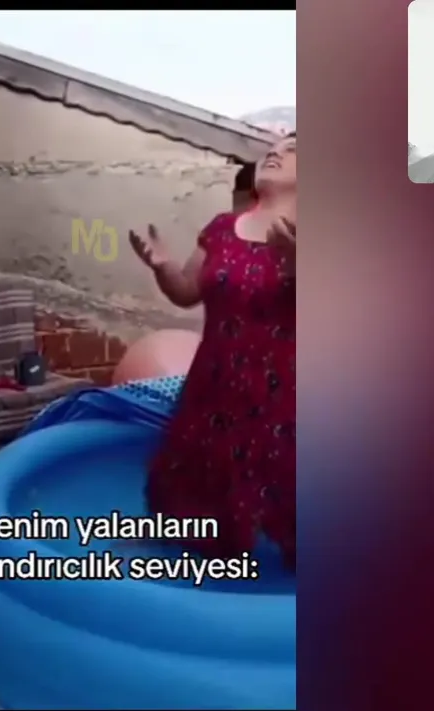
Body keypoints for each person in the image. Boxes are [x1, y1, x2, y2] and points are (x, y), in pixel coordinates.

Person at [127, 133, 297, 568]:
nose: (275, 152)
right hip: (214, 390)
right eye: (272, 147)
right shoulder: (222, 228)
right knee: (196, 495)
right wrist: (163, 267)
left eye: (293, 148)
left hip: (285, 400)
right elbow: (186, 292)